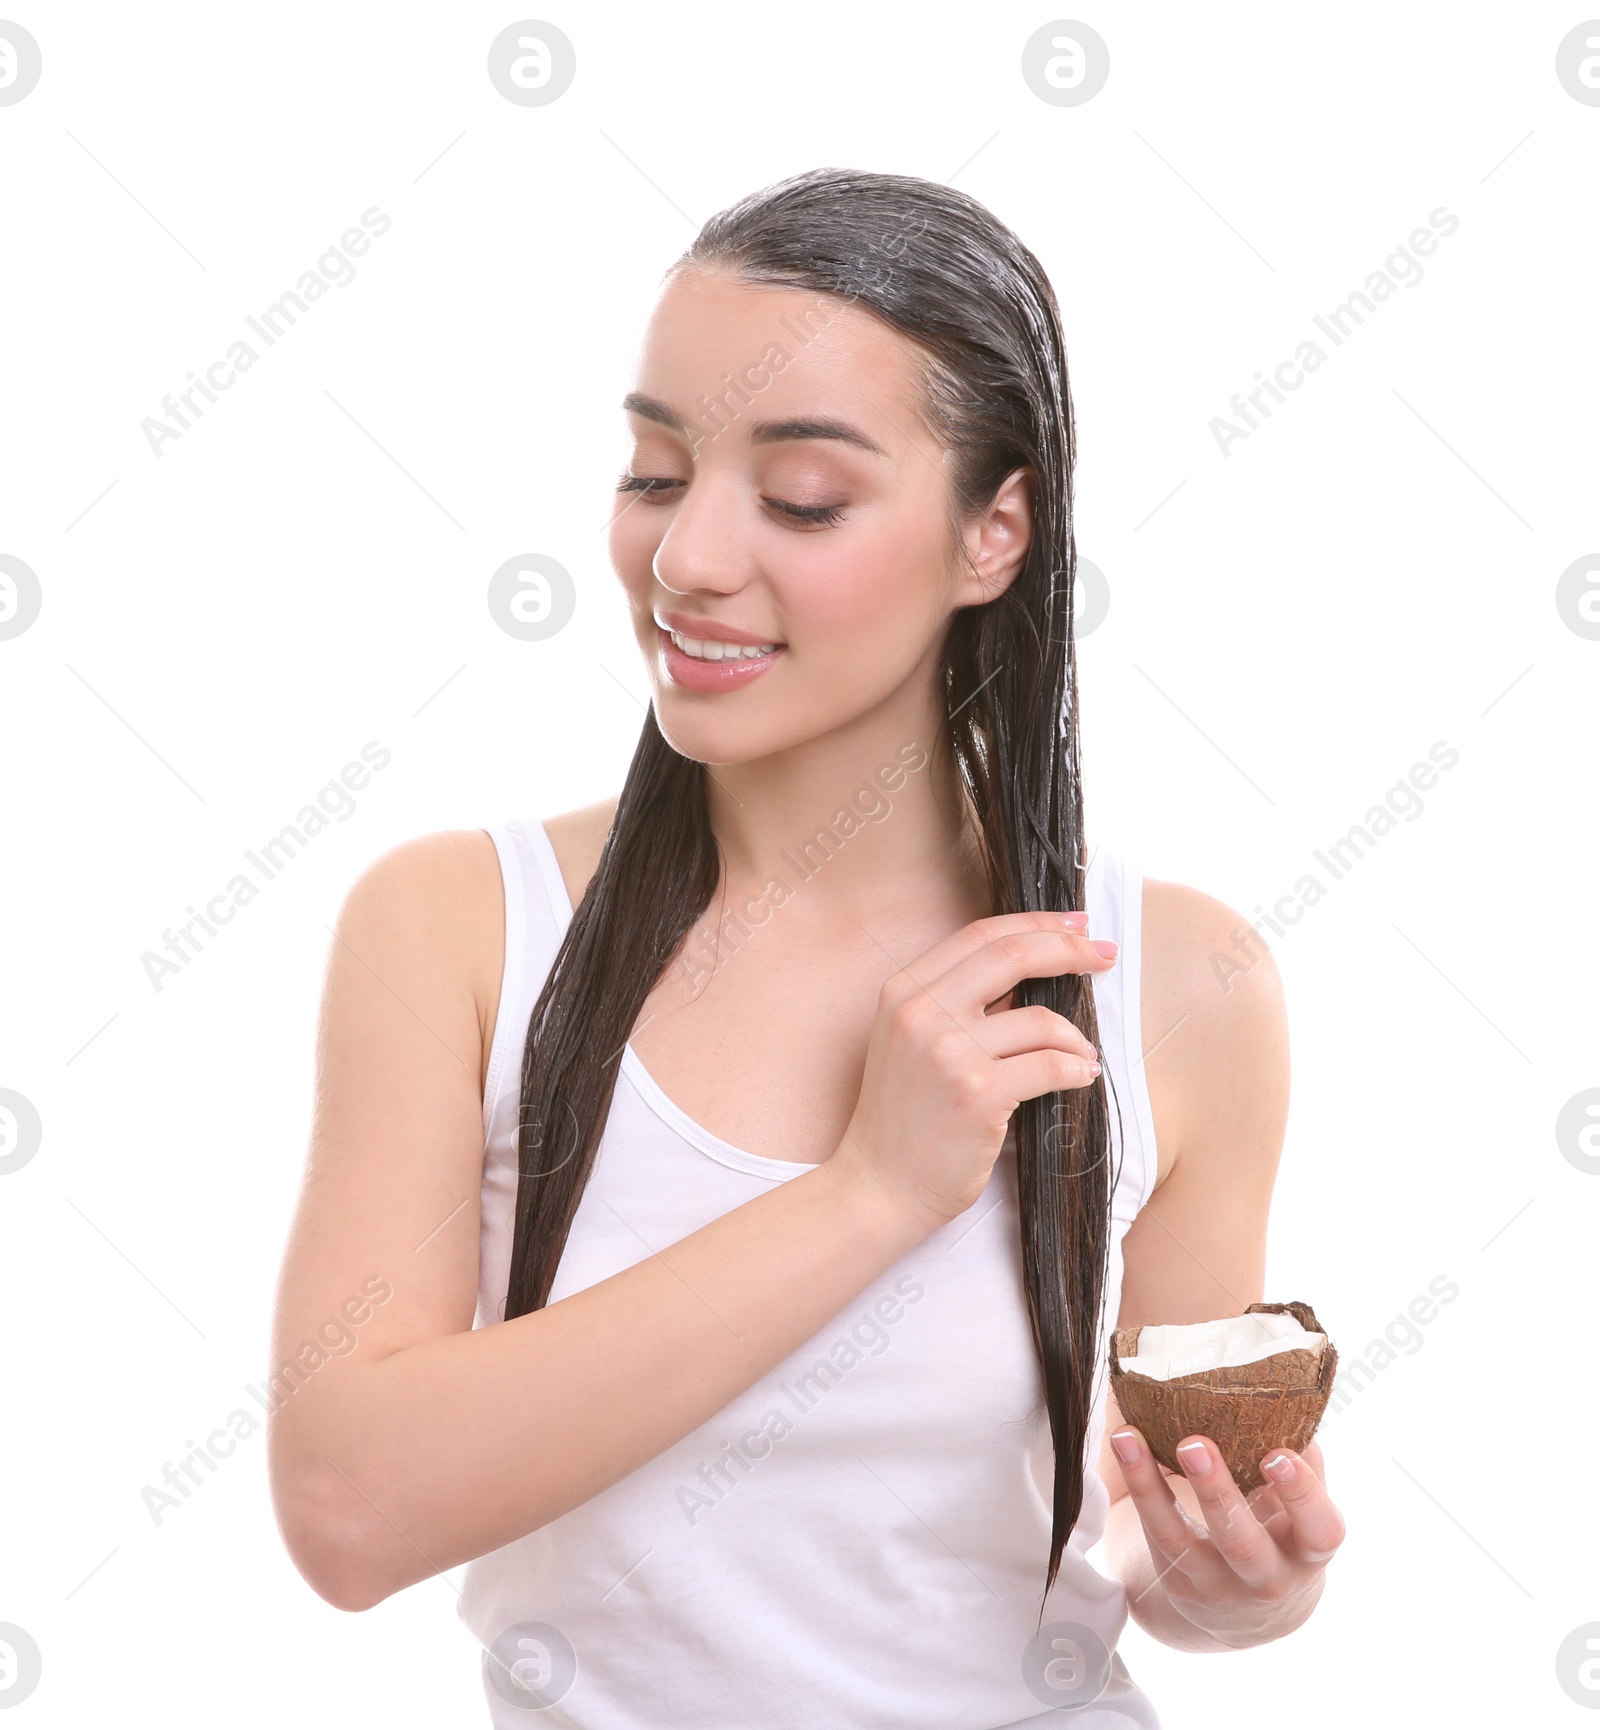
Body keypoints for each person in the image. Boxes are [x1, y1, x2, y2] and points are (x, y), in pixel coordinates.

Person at [267, 167, 1345, 1727]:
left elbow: (1139, 1524)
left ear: (996, 533)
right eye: (654, 470)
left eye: (802, 500)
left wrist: (1238, 1584)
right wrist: (869, 1191)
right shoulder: (460, 926)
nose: (688, 558)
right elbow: (350, 1508)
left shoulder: (1175, 982)